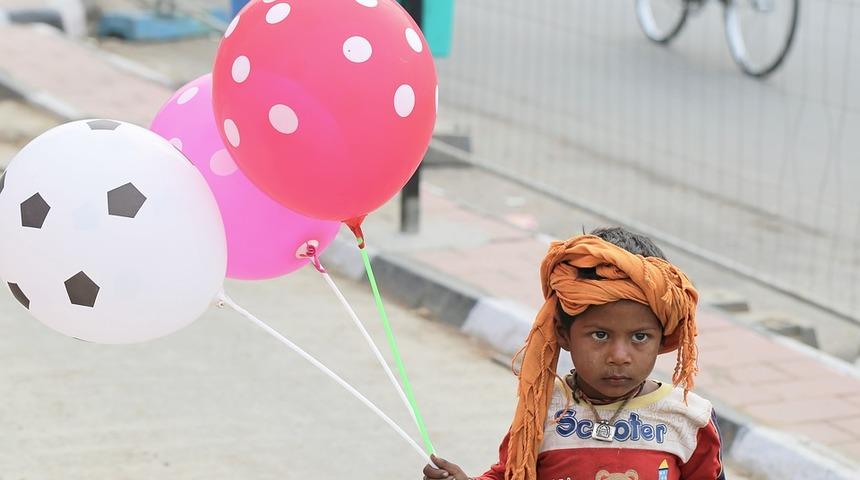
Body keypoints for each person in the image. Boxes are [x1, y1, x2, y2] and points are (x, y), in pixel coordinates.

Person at [422, 227, 726, 480]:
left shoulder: (688, 419)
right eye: (600, 335)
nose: (619, 355)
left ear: (661, 339)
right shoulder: (540, 410)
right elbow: (511, 473)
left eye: (640, 337)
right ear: (565, 334)